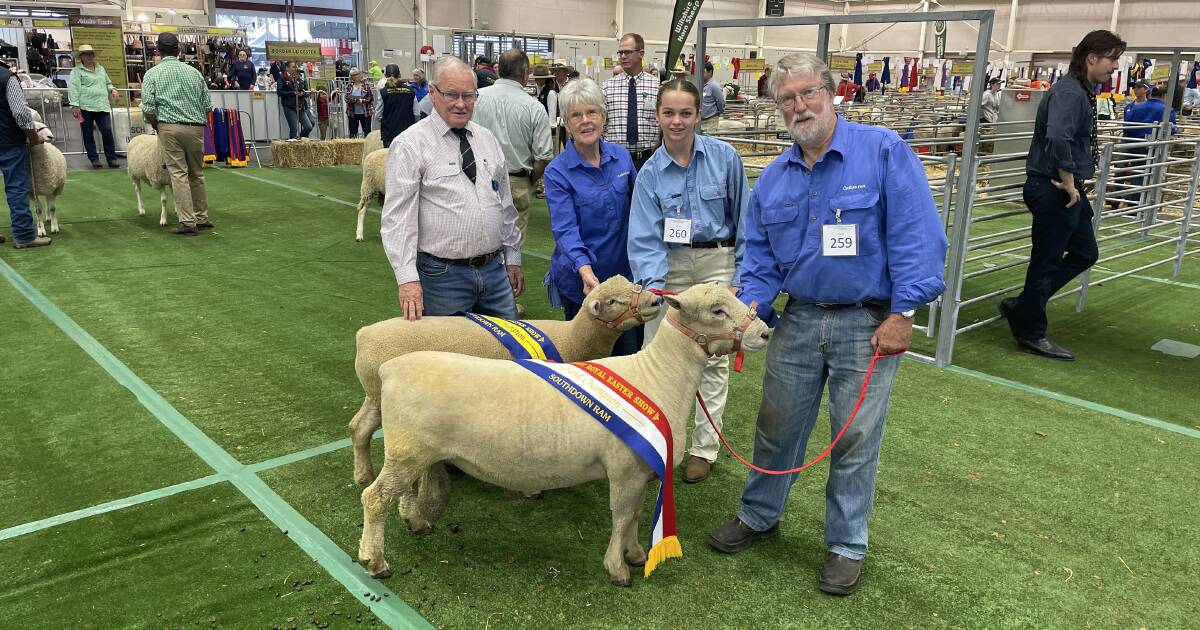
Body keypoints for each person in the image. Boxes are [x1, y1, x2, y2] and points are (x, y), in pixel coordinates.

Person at [706, 53, 947, 596]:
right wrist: (746, 318)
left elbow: (918, 234)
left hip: (867, 324)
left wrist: (904, 312)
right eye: (786, 98)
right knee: (776, 424)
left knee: (855, 437)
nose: (799, 105)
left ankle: (846, 545)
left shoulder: (883, 152)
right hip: (799, 321)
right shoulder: (771, 180)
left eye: (808, 92)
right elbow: (761, 263)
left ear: (832, 93)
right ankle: (759, 514)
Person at [627, 78, 749, 484]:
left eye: (685, 113)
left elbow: (746, 219)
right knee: (655, 353)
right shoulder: (649, 174)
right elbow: (644, 236)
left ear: (699, 115)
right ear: (657, 116)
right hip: (671, 266)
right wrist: (655, 288)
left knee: (713, 359)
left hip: (717, 263)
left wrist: (739, 280)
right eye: (668, 113)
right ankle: (654, 439)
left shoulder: (725, 158)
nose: (676, 121)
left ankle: (703, 449)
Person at [998, 30, 1125, 360]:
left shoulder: (1080, 90)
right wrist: (1069, 181)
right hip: (1054, 186)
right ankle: (1031, 332)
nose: (1115, 66)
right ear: (1091, 58)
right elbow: (1057, 137)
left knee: (1085, 251)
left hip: (1065, 187)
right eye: (1111, 59)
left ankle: (1024, 305)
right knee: (1047, 260)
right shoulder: (1070, 92)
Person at [380, 56, 522, 321]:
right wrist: (408, 279)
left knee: (509, 354)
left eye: (468, 96)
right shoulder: (410, 145)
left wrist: (512, 255)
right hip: (442, 277)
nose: (461, 104)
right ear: (432, 94)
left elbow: (504, 203)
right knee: (450, 360)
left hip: (494, 272)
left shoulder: (487, 139)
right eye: (452, 95)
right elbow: (397, 219)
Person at [543, 79, 641, 354]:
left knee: (627, 358)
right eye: (576, 115)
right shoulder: (557, 172)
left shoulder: (621, 158)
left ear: (603, 116)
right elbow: (566, 230)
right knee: (587, 363)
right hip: (582, 284)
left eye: (591, 113)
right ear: (566, 122)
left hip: (623, 280)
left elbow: (640, 210)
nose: (585, 121)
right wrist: (585, 271)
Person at [473, 48, 554, 252]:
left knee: (477, 243)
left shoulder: (476, 98)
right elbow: (543, 157)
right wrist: (529, 181)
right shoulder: (534, 107)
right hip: (517, 181)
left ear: (499, 70)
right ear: (526, 73)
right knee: (512, 251)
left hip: (477, 179)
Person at [140, 31, 214, 236]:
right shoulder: (194, 73)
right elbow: (207, 105)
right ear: (178, 50)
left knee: (178, 174)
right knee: (197, 173)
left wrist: (156, 126)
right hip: (196, 127)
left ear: (158, 51)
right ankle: (202, 217)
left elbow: (148, 107)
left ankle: (187, 221)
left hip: (169, 127)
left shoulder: (153, 74)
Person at [0, 58, 50, 248]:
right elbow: (20, 112)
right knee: (16, 187)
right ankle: (24, 235)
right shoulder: (7, 78)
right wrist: (32, 134)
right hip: (8, 141)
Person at [603, 33, 660, 171]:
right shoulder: (607, 87)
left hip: (649, 160)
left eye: (627, 52)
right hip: (615, 161)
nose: (623, 56)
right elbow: (602, 124)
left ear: (641, 53)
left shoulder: (657, 87)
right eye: (620, 52)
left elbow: (662, 123)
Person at [67, 44, 120, 169]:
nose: (89, 56)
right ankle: (94, 158)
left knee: (107, 131)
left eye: (91, 54)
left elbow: (108, 82)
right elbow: (73, 88)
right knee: (87, 133)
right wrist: (74, 105)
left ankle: (112, 158)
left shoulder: (100, 68)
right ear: (81, 57)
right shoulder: (76, 71)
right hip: (85, 107)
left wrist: (113, 90)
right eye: (86, 54)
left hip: (102, 105)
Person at [379, 63, 416, 148]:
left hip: (389, 132)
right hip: (407, 131)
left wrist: (387, 121)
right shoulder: (410, 90)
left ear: (385, 75)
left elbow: (379, 114)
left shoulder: (383, 91)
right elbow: (416, 112)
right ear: (399, 75)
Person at [277, 62, 312, 139]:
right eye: (293, 67)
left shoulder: (297, 77)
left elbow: (302, 88)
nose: (295, 69)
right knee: (294, 129)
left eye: (296, 67)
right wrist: (292, 93)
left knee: (308, 127)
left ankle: (300, 140)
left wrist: (302, 93)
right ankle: (293, 145)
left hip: (299, 105)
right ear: (287, 68)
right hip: (289, 106)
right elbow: (279, 92)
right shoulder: (282, 78)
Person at [345, 68, 375, 138]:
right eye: (352, 75)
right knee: (353, 133)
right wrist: (352, 100)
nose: (354, 77)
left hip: (366, 112)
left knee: (367, 133)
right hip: (352, 113)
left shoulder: (366, 85)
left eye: (356, 74)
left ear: (360, 74)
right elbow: (346, 98)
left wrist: (363, 100)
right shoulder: (349, 85)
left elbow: (370, 98)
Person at [700, 61, 725, 134]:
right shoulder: (700, 84)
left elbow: (721, 102)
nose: (701, 74)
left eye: (703, 72)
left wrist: (718, 113)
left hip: (710, 121)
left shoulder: (714, 86)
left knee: (710, 142)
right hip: (700, 122)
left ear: (710, 72)